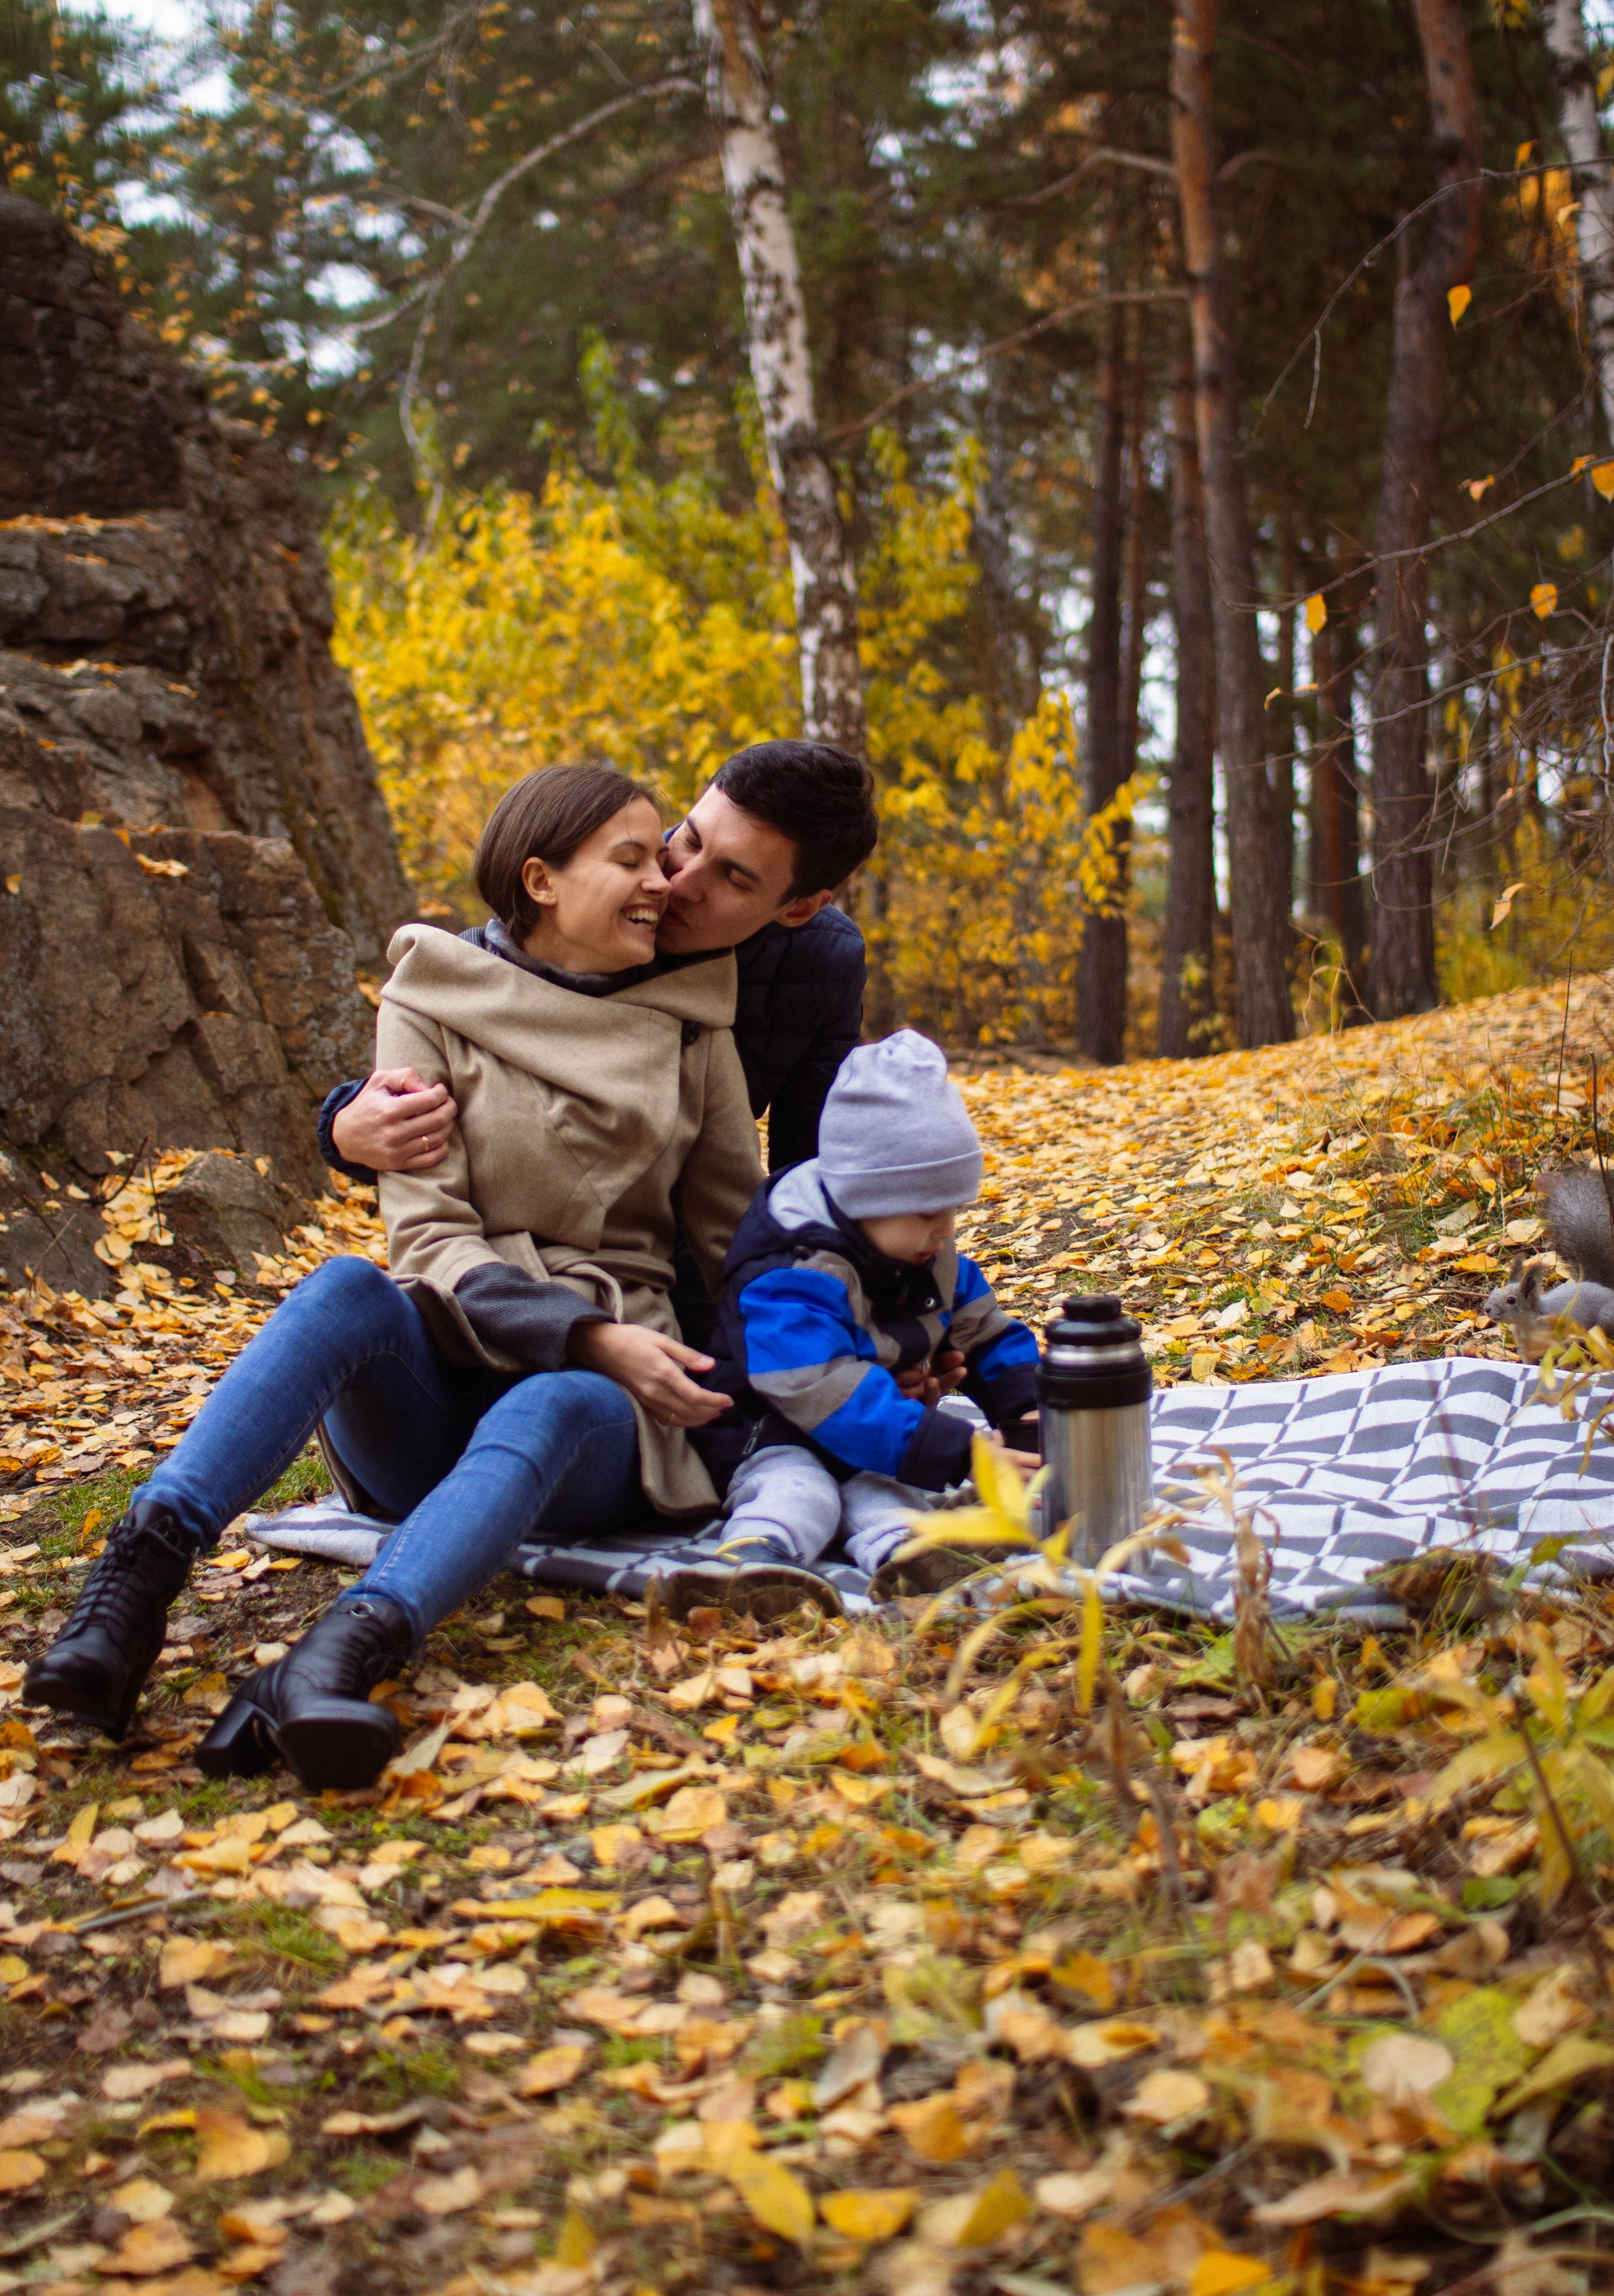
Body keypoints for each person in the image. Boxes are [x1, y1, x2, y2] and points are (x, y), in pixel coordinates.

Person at [24, 765, 767, 1790]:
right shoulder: (431, 996)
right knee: (345, 1285)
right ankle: (128, 1596)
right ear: (542, 880)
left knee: (555, 1395)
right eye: (631, 860)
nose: (663, 886)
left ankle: (339, 1658)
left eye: (661, 859)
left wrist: (856, 1361)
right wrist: (584, 1329)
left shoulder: (695, 1027)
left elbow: (742, 1247)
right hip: (448, 1383)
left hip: (600, 1415)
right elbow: (428, 1242)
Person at [320, 740, 879, 1192]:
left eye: (733, 878)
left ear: (799, 908)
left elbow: (808, 1169)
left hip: (676, 1258)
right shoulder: (602, 896)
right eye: (688, 838)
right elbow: (462, 1003)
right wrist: (344, 1128)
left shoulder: (822, 961)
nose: (676, 884)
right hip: (500, 1253)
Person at [675, 1030, 1041, 1616]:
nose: (946, 1229)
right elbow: (819, 1386)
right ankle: (755, 1564)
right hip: (768, 1428)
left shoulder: (924, 1254)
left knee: (887, 1491)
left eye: (953, 1210)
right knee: (803, 1493)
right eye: (928, 1212)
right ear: (864, 1200)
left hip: (873, 1434)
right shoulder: (793, 1271)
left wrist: (1025, 1409)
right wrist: (962, 1453)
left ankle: (911, 1560)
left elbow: (986, 1331)